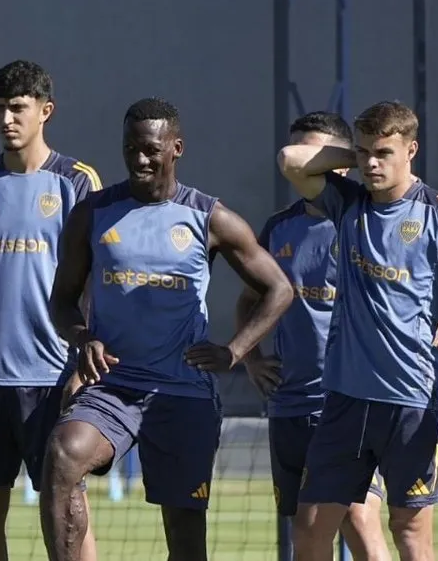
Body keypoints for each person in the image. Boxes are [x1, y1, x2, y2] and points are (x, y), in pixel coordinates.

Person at [42, 98, 294, 561]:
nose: (139, 159)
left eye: (151, 150)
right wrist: (82, 337)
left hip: (182, 392)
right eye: (130, 148)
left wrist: (234, 351)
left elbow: (279, 289)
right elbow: (61, 301)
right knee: (63, 453)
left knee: (185, 535)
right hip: (113, 386)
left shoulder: (209, 217)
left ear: (176, 148)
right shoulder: (92, 213)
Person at [278, 101, 438, 561]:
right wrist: (358, 154)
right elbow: (291, 159)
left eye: (384, 153)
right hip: (345, 400)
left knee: (408, 530)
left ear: (412, 150)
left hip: (412, 400)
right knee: (308, 529)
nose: (371, 163)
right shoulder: (347, 202)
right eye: (365, 151)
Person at [0, 60, 101, 561]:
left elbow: (98, 282)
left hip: (54, 378)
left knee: (66, 512)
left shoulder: (76, 181)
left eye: (17, 108)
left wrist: (84, 366)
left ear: (45, 111)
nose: (6, 119)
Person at [239, 112, 391, 561]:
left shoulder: (370, 222)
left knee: (359, 521)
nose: (302, 165)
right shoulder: (278, 228)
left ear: (340, 164)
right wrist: (251, 358)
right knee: (304, 534)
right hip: (290, 405)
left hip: (350, 404)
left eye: (315, 156)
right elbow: (250, 300)